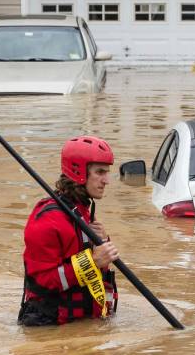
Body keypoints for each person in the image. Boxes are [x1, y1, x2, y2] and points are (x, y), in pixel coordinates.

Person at [18, 135, 119, 326]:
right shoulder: (47, 221)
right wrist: (93, 261)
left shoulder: (82, 212)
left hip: (81, 322)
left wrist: (102, 241)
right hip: (48, 327)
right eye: (100, 172)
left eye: (107, 172)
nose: (107, 180)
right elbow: (43, 281)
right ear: (79, 172)